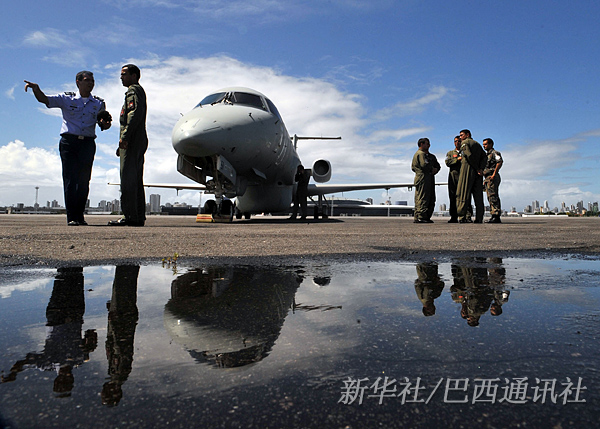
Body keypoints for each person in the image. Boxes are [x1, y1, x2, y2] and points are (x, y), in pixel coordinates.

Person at [24, 72, 112, 226]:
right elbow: (45, 100)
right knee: (70, 180)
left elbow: (103, 123)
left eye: (92, 81)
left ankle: (80, 216)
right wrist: (36, 89)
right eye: (87, 80)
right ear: (78, 82)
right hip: (69, 143)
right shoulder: (67, 98)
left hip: (87, 143)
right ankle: (71, 217)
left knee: (84, 181)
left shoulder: (98, 103)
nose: (90, 83)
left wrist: (106, 124)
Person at [108, 64, 148, 227]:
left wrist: (125, 137)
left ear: (134, 76)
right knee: (136, 180)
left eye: (124, 74)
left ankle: (130, 216)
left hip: (132, 140)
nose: (121, 77)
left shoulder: (133, 90)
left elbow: (134, 113)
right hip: (137, 139)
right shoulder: (138, 90)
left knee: (128, 180)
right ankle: (137, 216)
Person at [456, 129, 487, 223]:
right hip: (478, 173)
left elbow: (468, 155)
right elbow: (484, 157)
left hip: (468, 170)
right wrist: (481, 168)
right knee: (478, 196)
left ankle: (462, 217)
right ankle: (479, 218)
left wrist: (476, 167)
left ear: (467, 135)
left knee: (462, 193)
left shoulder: (465, 143)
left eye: (461, 135)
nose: (460, 137)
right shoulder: (477, 144)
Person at [411, 138, 440, 223]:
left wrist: (435, 170)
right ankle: (421, 216)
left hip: (429, 178)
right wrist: (431, 169)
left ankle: (424, 216)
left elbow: (438, 165)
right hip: (423, 178)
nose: (429, 145)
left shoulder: (430, 156)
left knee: (430, 197)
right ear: (421, 144)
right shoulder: (420, 154)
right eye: (427, 144)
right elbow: (423, 165)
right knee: (423, 197)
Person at [482, 138, 503, 223]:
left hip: (492, 176)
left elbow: (499, 162)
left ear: (491, 144)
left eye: (486, 144)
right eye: (483, 144)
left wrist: (494, 174)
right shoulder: (486, 155)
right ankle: (493, 215)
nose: (484, 146)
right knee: (490, 197)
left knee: (493, 196)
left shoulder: (495, 153)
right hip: (487, 177)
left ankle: (496, 215)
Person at [445, 136, 463, 223]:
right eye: (455, 141)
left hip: (463, 176)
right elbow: (448, 162)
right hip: (453, 177)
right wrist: (457, 160)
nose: (457, 143)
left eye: (459, 141)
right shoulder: (450, 153)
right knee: (452, 197)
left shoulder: (465, 152)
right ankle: (453, 216)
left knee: (464, 197)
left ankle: (465, 216)